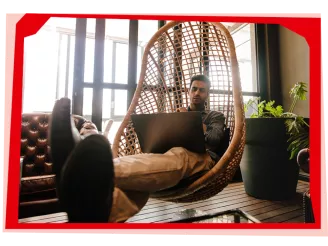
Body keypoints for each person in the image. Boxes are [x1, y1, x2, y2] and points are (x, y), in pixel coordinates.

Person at [49, 74, 226, 223]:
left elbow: (214, 140)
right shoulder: (178, 113)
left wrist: (193, 121)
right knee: (144, 173)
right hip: (171, 154)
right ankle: (93, 213)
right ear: (188, 91)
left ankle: (84, 170)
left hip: (205, 159)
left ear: (207, 94)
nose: (197, 93)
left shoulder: (214, 116)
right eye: (194, 89)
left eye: (202, 90)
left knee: (177, 156)